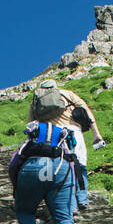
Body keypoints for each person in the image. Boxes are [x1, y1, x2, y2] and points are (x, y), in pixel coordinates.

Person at [29, 79, 105, 212]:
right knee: (79, 165)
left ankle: (68, 204)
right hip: (73, 132)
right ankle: (82, 199)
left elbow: (31, 123)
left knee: (60, 168)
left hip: (51, 136)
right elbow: (87, 112)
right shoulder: (67, 94)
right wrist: (96, 134)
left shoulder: (36, 100)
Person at [10, 121, 79, 224]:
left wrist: (16, 188)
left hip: (31, 169)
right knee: (63, 217)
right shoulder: (63, 147)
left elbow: (13, 165)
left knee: (25, 211)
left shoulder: (26, 146)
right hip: (61, 170)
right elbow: (73, 168)